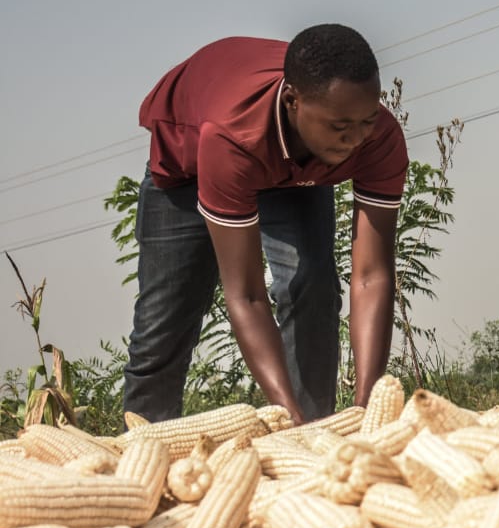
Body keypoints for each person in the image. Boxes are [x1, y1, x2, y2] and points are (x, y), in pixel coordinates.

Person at [122, 24, 408, 427]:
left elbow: (371, 276)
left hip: (296, 166)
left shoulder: (378, 137)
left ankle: (317, 430)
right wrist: (283, 414)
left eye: (366, 121)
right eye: (340, 128)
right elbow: (248, 296)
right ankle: (145, 447)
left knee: (314, 283)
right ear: (293, 101)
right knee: (164, 324)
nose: (356, 140)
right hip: (189, 172)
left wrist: (368, 411)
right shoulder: (232, 136)